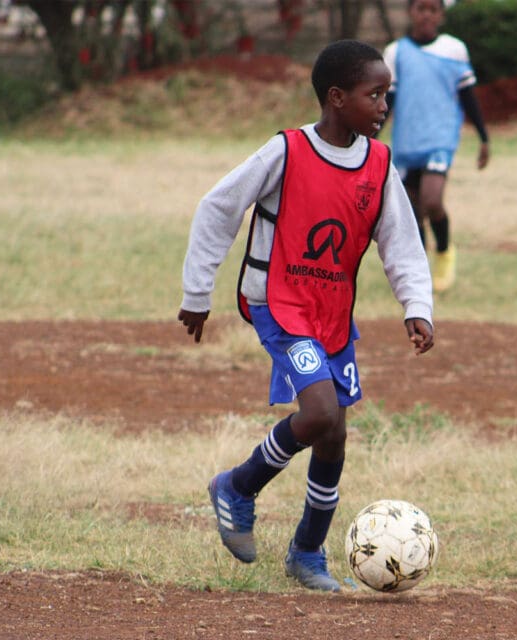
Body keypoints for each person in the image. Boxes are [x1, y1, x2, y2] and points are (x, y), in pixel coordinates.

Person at [177, 40, 434, 591]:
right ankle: (239, 486)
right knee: (319, 413)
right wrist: (197, 291)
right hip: (279, 303)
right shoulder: (287, 151)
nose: (384, 105)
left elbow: (402, 243)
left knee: (335, 433)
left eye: (387, 94)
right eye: (375, 95)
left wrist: (417, 307)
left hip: (332, 315)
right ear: (337, 98)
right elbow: (220, 205)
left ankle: (307, 553)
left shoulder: (380, 165)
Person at [381, 0, 490, 292]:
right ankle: (420, 272)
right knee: (411, 211)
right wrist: (368, 141)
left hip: (440, 139)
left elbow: (467, 95)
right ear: (410, 12)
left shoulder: (454, 49)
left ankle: (444, 252)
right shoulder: (395, 52)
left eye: (433, 9)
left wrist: (483, 137)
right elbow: (386, 102)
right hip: (406, 141)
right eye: (421, 8)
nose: (426, 15)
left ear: (441, 15)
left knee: (432, 201)